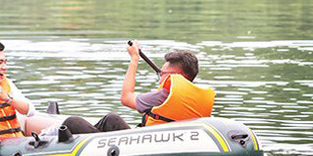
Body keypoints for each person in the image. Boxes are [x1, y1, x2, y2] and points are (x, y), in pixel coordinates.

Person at [62, 41, 215, 133]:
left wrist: (134, 59)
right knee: (111, 120)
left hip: (151, 148)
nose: (160, 77)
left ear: (174, 75)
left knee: (74, 122)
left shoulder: (162, 96)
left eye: (162, 73)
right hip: (169, 146)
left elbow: (126, 98)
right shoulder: (198, 98)